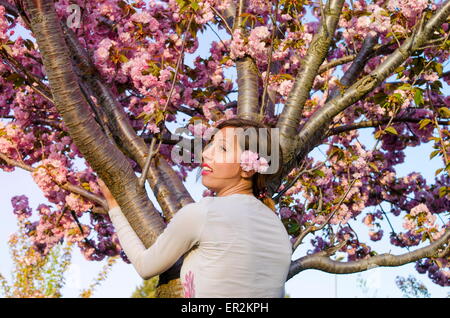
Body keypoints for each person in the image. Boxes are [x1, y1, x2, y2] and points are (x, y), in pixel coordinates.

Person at [98, 117, 293, 298]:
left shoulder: (204, 213)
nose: (206, 153)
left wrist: (114, 207)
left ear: (248, 167)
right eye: (211, 145)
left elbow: (145, 266)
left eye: (222, 148)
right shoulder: (279, 230)